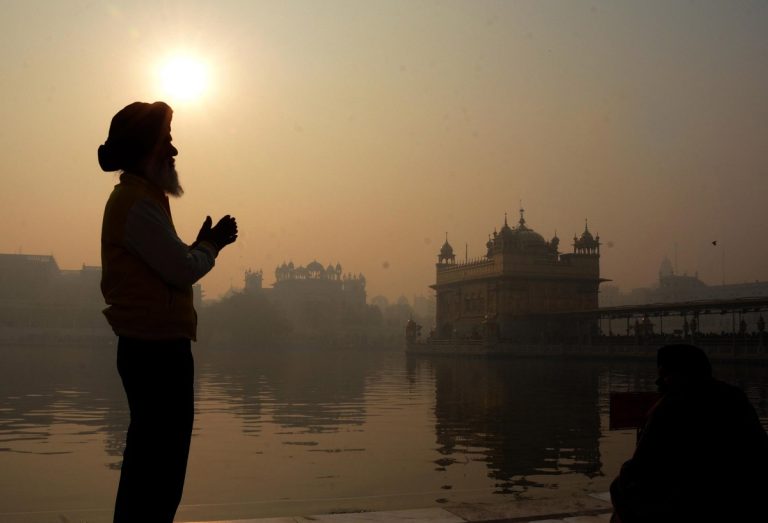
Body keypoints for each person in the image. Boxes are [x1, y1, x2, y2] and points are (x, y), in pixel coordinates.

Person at [98, 101, 238, 522]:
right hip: (154, 354)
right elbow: (180, 270)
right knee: (158, 466)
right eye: (167, 144)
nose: (174, 153)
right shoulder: (137, 205)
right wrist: (211, 246)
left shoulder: (143, 201)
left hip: (153, 350)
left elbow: (172, 262)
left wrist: (197, 246)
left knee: (153, 462)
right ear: (146, 151)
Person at [610, 344, 768, 522]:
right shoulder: (734, 396)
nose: (659, 382)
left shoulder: (671, 405)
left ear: (681, 375)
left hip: (687, 502)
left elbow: (642, 464)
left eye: (664, 375)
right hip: (746, 496)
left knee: (619, 487)